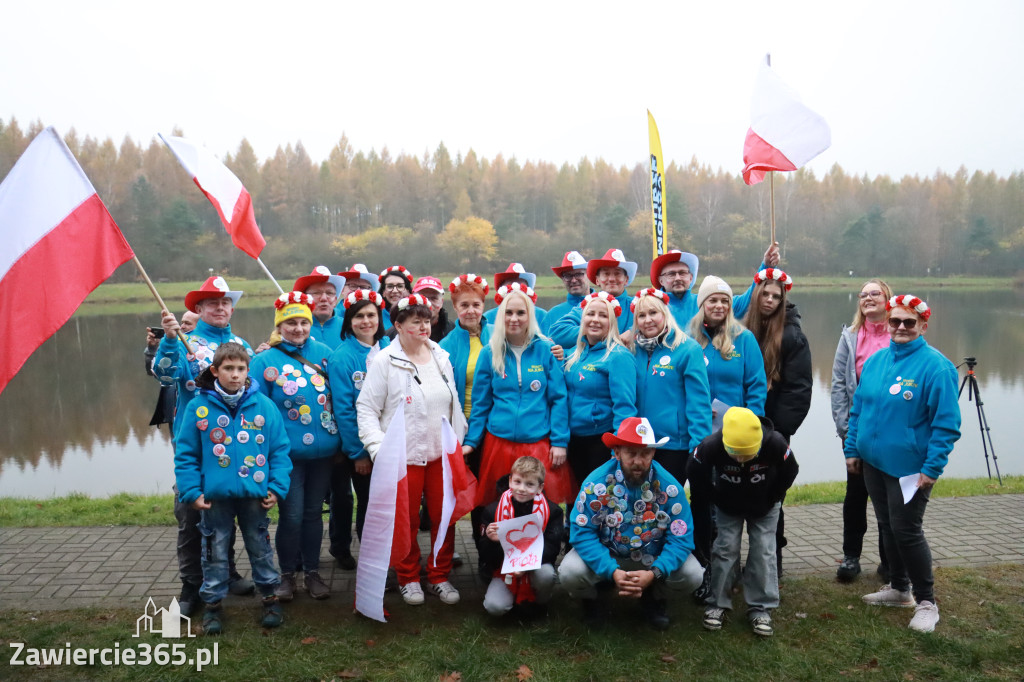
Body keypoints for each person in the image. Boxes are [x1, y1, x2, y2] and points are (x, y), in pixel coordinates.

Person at [846, 295, 960, 633]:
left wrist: (932, 467)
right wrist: (853, 449)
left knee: (907, 531)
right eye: (895, 321)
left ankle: (927, 601)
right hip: (873, 463)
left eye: (909, 322)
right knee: (887, 525)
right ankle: (899, 589)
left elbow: (946, 424)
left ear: (923, 326)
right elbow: (859, 409)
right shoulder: (877, 361)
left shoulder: (936, 367)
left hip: (910, 468)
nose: (900, 327)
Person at [356, 294, 468, 606]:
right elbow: (366, 409)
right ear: (398, 326)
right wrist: (378, 449)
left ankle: (439, 575)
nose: (422, 326)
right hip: (402, 457)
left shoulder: (440, 356)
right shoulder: (384, 361)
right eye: (414, 321)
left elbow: (452, 401)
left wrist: (458, 438)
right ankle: (407, 577)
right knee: (406, 521)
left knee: (444, 517)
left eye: (426, 320)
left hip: (440, 454)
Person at [173, 342, 292, 634]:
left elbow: (279, 450)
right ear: (215, 371)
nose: (235, 375)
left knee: (260, 546)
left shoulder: (263, 405)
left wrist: (276, 488)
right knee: (213, 550)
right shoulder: (198, 407)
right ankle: (213, 605)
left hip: (255, 495)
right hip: (214, 498)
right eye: (228, 368)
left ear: (247, 371)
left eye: (240, 369)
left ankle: (269, 597)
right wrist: (192, 492)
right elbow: (186, 453)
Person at [156, 276, 255, 616]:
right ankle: (191, 585)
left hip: (235, 446)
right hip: (196, 446)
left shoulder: (243, 345)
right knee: (189, 516)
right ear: (198, 309)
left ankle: (226, 573)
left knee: (226, 512)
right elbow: (165, 376)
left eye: (225, 301)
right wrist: (169, 342)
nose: (220, 307)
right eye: (211, 302)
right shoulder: (186, 341)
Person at [558, 417, 704, 631]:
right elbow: (581, 534)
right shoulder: (595, 484)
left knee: (693, 574)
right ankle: (593, 597)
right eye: (631, 453)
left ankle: (653, 596)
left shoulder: (670, 488)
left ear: (654, 453)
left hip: (650, 560)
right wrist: (611, 570)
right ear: (616, 453)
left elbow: (681, 538)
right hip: (607, 555)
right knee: (569, 571)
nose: (638, 461)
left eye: (645, 453)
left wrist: (655, 572)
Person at [249, 292, 340, 602]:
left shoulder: (326, 353)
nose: (298, 328)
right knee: (291, 515)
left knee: (314, 514)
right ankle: (287, 575)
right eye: (290, 322)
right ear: (279, 326)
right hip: (286, 457)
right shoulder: (264, 360)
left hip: (324, 454)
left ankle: (312, 572)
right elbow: (252, 407)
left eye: (303, 321)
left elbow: (341, 399)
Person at [688, 407, 799, 638]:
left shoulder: (775, 442)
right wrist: (714, 497)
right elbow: (694, 471)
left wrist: (774, 498)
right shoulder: (711, 445)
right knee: (725, 548)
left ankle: (761, 608)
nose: (740, 460)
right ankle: (717, 603)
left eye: (746, 456)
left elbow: (791, 471)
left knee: (763, 549)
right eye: (735, 455)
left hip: (765, 502)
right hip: (727, 503)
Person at [464, 283, 573, 507]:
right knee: (499, 505)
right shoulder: (489, 353)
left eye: (520, 313)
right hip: (499, 444)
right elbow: (481, 404)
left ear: (530, 315)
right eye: (509, 312)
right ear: (501, 315)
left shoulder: (545, 349)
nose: (514, 318)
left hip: (537, 443)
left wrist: (559, 441)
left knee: (538, 507)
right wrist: (471, 441)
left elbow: (559, 399)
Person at [742, 268, 812, 575]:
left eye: (776, 296)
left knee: (769, 498)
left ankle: (772, 566)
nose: (769, 300)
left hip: (772, 430)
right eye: (765, 294)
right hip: (736, 429)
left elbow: (798, 389)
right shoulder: (740, 328)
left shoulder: (792, 336)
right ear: (755, 294)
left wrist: (780, 432)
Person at [831, 278, 894, 583]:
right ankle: (851, 557)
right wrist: (846, 433)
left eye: (875, 293)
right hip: (858, 432)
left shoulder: (900, 332)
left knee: (890, 497)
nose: (868, 298)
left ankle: (889, 561)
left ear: (887, 299)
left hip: (893, 434)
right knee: (856, 496)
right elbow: (839, 386)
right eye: (863, 295)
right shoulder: (851, 336)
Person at [327, 289, 390, 552]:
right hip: (365, 448)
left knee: (391, 503)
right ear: (349, 321)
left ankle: (394, 555)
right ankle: (372, 559)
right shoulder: (342, 357)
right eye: (359, 316)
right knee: (369, 503)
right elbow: (343, 410)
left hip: (394, 442)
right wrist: (358, 453)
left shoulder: (391, 347)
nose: (366, 321)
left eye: (371, 315)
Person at [631, 287, 712, 486]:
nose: (647, 320)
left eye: (653, 313)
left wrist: (698, 446)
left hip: (674, 445)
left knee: (669, 502)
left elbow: (699, 402)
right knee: (643, 503)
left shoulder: (687, 349)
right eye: (641, 315)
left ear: (665, 314)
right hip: (641, 442)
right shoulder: (632, 350)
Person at [563, 292, 637, 488]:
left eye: (603, 316)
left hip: (600, 443)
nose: (595, 320)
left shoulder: (618, 356)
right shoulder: (573, 354)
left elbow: (625, 407)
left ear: (612, 322)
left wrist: (618, 447)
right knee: (575, 500)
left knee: (599, 501)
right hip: (572, 440)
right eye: (590, 314)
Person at [476, 456, 564, 617]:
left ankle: (540, 604)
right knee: (494, 607)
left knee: (546, 576)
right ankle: (513, 601)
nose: (522, 488)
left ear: (540, 487)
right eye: (517, 482)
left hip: (537, 566)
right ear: (510, 481)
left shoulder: (553, 512)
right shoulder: (492, 511)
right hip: (503, 568)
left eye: (529, 484)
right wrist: (491, 540)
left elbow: (552, 548)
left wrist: (526, 564)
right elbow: (485, 556)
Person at [688, 276, 767, 417]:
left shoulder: (744, 338)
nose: (719, 305)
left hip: (736, 426)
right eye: (713, 300)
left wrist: (752, 420)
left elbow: (757, 386)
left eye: (725, 301)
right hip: (698, 423)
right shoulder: (688, 339)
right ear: (702, 304)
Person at [548, 248, 637, 347]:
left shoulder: (638, 306)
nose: (611, 279)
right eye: (606, 274)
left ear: (626, 279)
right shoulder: (587, 306)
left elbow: (655, 324)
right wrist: (593, 330)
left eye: (617, 273)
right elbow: (557, 332)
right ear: (597, 280)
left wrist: (633, 332)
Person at [440, 274, 493, 420]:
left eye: (476, 305)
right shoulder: (445, 347)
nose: (470, 311)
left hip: (497, 420)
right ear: (455, 307)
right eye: (464, 305)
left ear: (483, 305)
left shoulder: (499, 335)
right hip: (464, 421)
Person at [145, 310, 198, 429]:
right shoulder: (173, 345)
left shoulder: (208, 351)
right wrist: (153, 349)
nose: (182, 326)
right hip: (173, 412)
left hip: (195, 415)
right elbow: (152, 372)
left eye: (187, 323)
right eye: (182, 322)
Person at [294, 266, 347, 350]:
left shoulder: (349, 327)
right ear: (305, 299)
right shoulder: (294, 330)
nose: (324, 298)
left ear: (335, 300)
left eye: (329, 293)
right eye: (316, 293)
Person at [541, 251, 590, 335]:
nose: (574, 280)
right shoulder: (552, 315)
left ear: (588, 275)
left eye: (578, 274)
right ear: (563, 279)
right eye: (568, 276)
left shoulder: (605, 307)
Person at [483, 263, 547, 327]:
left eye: (521, 287)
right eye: (510, 287)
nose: (515, 291)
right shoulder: (487, 318)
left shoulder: (543, 316)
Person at [648, 249, 700, 326]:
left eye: (682, 273)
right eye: (671, 274)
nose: (677, 278)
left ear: (691, 278)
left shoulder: (701, 303)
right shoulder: (650, 305)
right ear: (661, 281)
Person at [377, 265, 414, 329]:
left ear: (408, 291)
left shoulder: (417, 314)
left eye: (400, 286)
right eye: (390, 286)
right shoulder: (376, 316)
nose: (394, 291)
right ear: (383, 292)